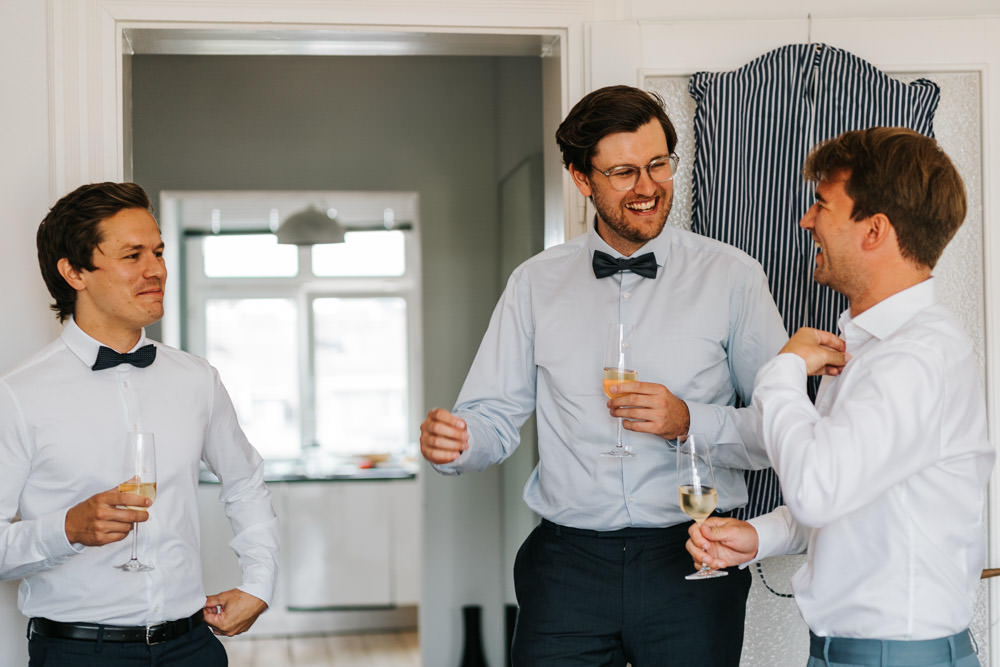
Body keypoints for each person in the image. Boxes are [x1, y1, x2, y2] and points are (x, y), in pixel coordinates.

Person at [419, 85, 787, 665]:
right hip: (566, 569)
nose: (647, 188)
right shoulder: (534, 284)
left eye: (658, 164)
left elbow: (781, 430)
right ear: (581, 178)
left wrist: (688, 420)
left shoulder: (733, 278)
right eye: (623, 172)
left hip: (693, 554)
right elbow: (491, 417)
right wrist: (458, 443)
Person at [686, 127, 992, 667]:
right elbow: (845, 495)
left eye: (822, 205)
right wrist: (759, 535)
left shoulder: (915, 359)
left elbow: (818, 489)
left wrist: (780, 372)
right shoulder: (873, 349)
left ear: (874, 230)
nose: (807, 220)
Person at [0, 182, 280, 666]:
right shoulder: (17, 396)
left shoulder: (197, 379)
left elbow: (245, 480)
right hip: (77, 654)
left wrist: (260, 582)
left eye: (158, 251)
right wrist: (66, 528)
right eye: (133, 255)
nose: (157, 270)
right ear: (74, 272)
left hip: (193, 648)